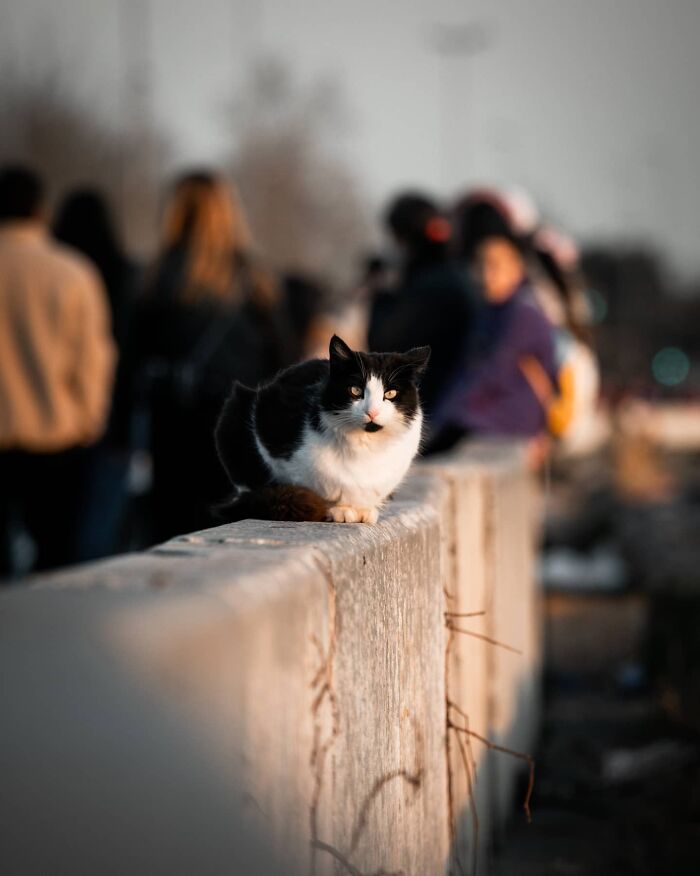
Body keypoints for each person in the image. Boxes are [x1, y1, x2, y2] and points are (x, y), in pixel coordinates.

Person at [128, 170, 288, 543]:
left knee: (172, 530)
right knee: (230, 532)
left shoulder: (155, 278)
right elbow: (283, 359)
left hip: (172, 427)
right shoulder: (256, 279)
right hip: (237, 428)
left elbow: (131, 358)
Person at [0, 165, 115, 577]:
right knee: (55, 561)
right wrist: (89, 422)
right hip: (55, 438)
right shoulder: (72, 272)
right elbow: (91, 360)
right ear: (41, 210)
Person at [53, 188, 139, 560]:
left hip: (42, 426)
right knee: (93, 535)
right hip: (110, 420)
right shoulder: (125, 276)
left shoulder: (59, 268)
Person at [428, 221, 558, 455]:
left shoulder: (521, 313)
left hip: (507, 423)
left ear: (517, 267)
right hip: (485, 420)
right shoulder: (490, 311)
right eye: (479, 265)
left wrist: (442, 416)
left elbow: (490, 373)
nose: (485, 275)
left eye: (494, 265)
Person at [368, 192, 475, 420]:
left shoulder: (430, 287)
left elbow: (383, 344)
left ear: (406, 240)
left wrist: (382, 296)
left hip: (437, 409)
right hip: (454, 403)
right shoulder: (457, 273)